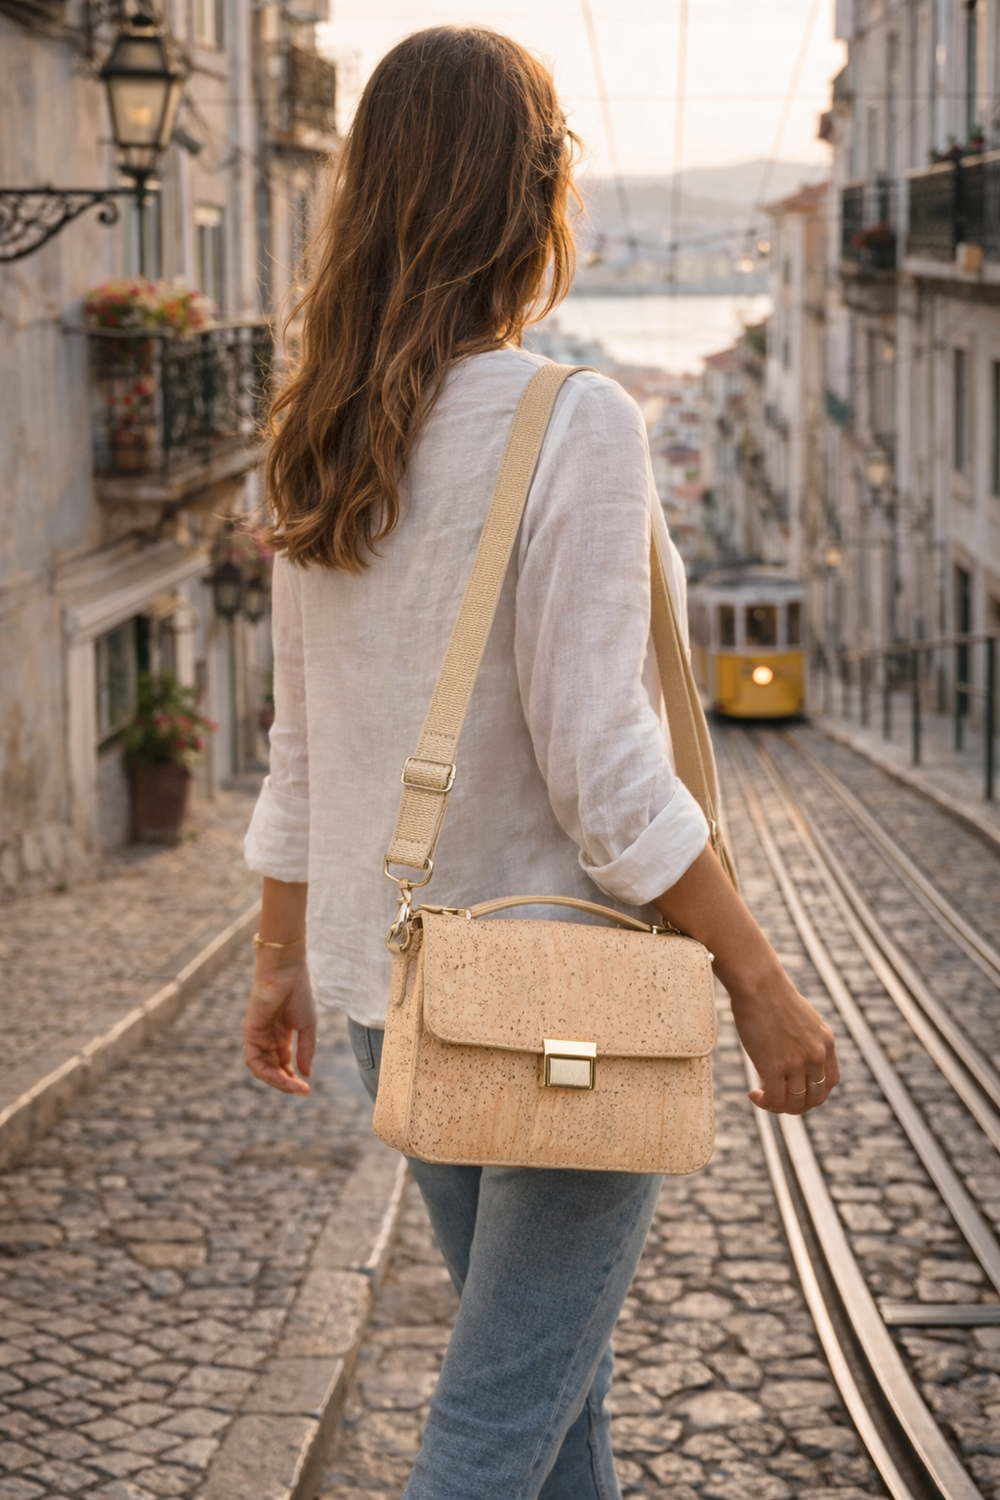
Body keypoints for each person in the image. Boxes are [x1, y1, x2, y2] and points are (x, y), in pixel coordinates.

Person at [242, 26, 840, 1499]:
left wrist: (279, 962)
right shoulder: (572, 423)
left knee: (552, 1395)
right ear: (533, 198)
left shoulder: (313, 437)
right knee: (497, 1422)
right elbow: (608, 772)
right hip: (557, 996)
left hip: (398, 993)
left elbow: (300, 748)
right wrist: (758, 986)